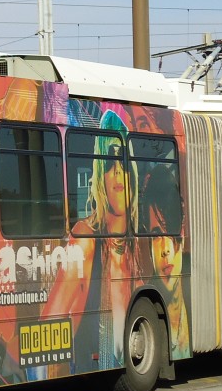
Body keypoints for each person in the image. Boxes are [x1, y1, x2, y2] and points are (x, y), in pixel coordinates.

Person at [44, 110, 134, 371]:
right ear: (99, 175)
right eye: (108, 163)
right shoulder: (85, 238)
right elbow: (52, 320)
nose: (118, 172)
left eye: (123, 161)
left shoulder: (143, 248)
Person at [142, 164, 190, 356]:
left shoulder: (198, 306)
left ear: (182, 231)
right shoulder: (144, 291)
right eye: (155, 235)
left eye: (169, 230)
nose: (164, 250)